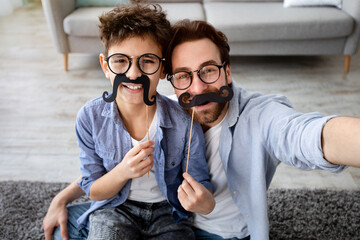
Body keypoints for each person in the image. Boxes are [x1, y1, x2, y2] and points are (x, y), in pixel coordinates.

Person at [43, 19, 360, 240]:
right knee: (64, 227)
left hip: (210, 232)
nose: (197, 88)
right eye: (184, 76)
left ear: (228, 71)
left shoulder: (261, 117)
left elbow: (310, 135)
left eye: (208, 71)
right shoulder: (168, 106)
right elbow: (108, 162)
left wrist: (205, 205)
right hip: (151, 213)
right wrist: (63, 197)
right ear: (171, 78)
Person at [50, 4, 215, 240]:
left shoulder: (183, 121)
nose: (134, 74)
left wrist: (204, 201)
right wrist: (124, 171)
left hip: (168, 214)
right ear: (105, 66)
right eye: (120, 61)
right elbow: (94, 191)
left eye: (147, 61)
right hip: (115, 209)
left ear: (162, 68)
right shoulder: (90, 117)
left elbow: (201, 184)